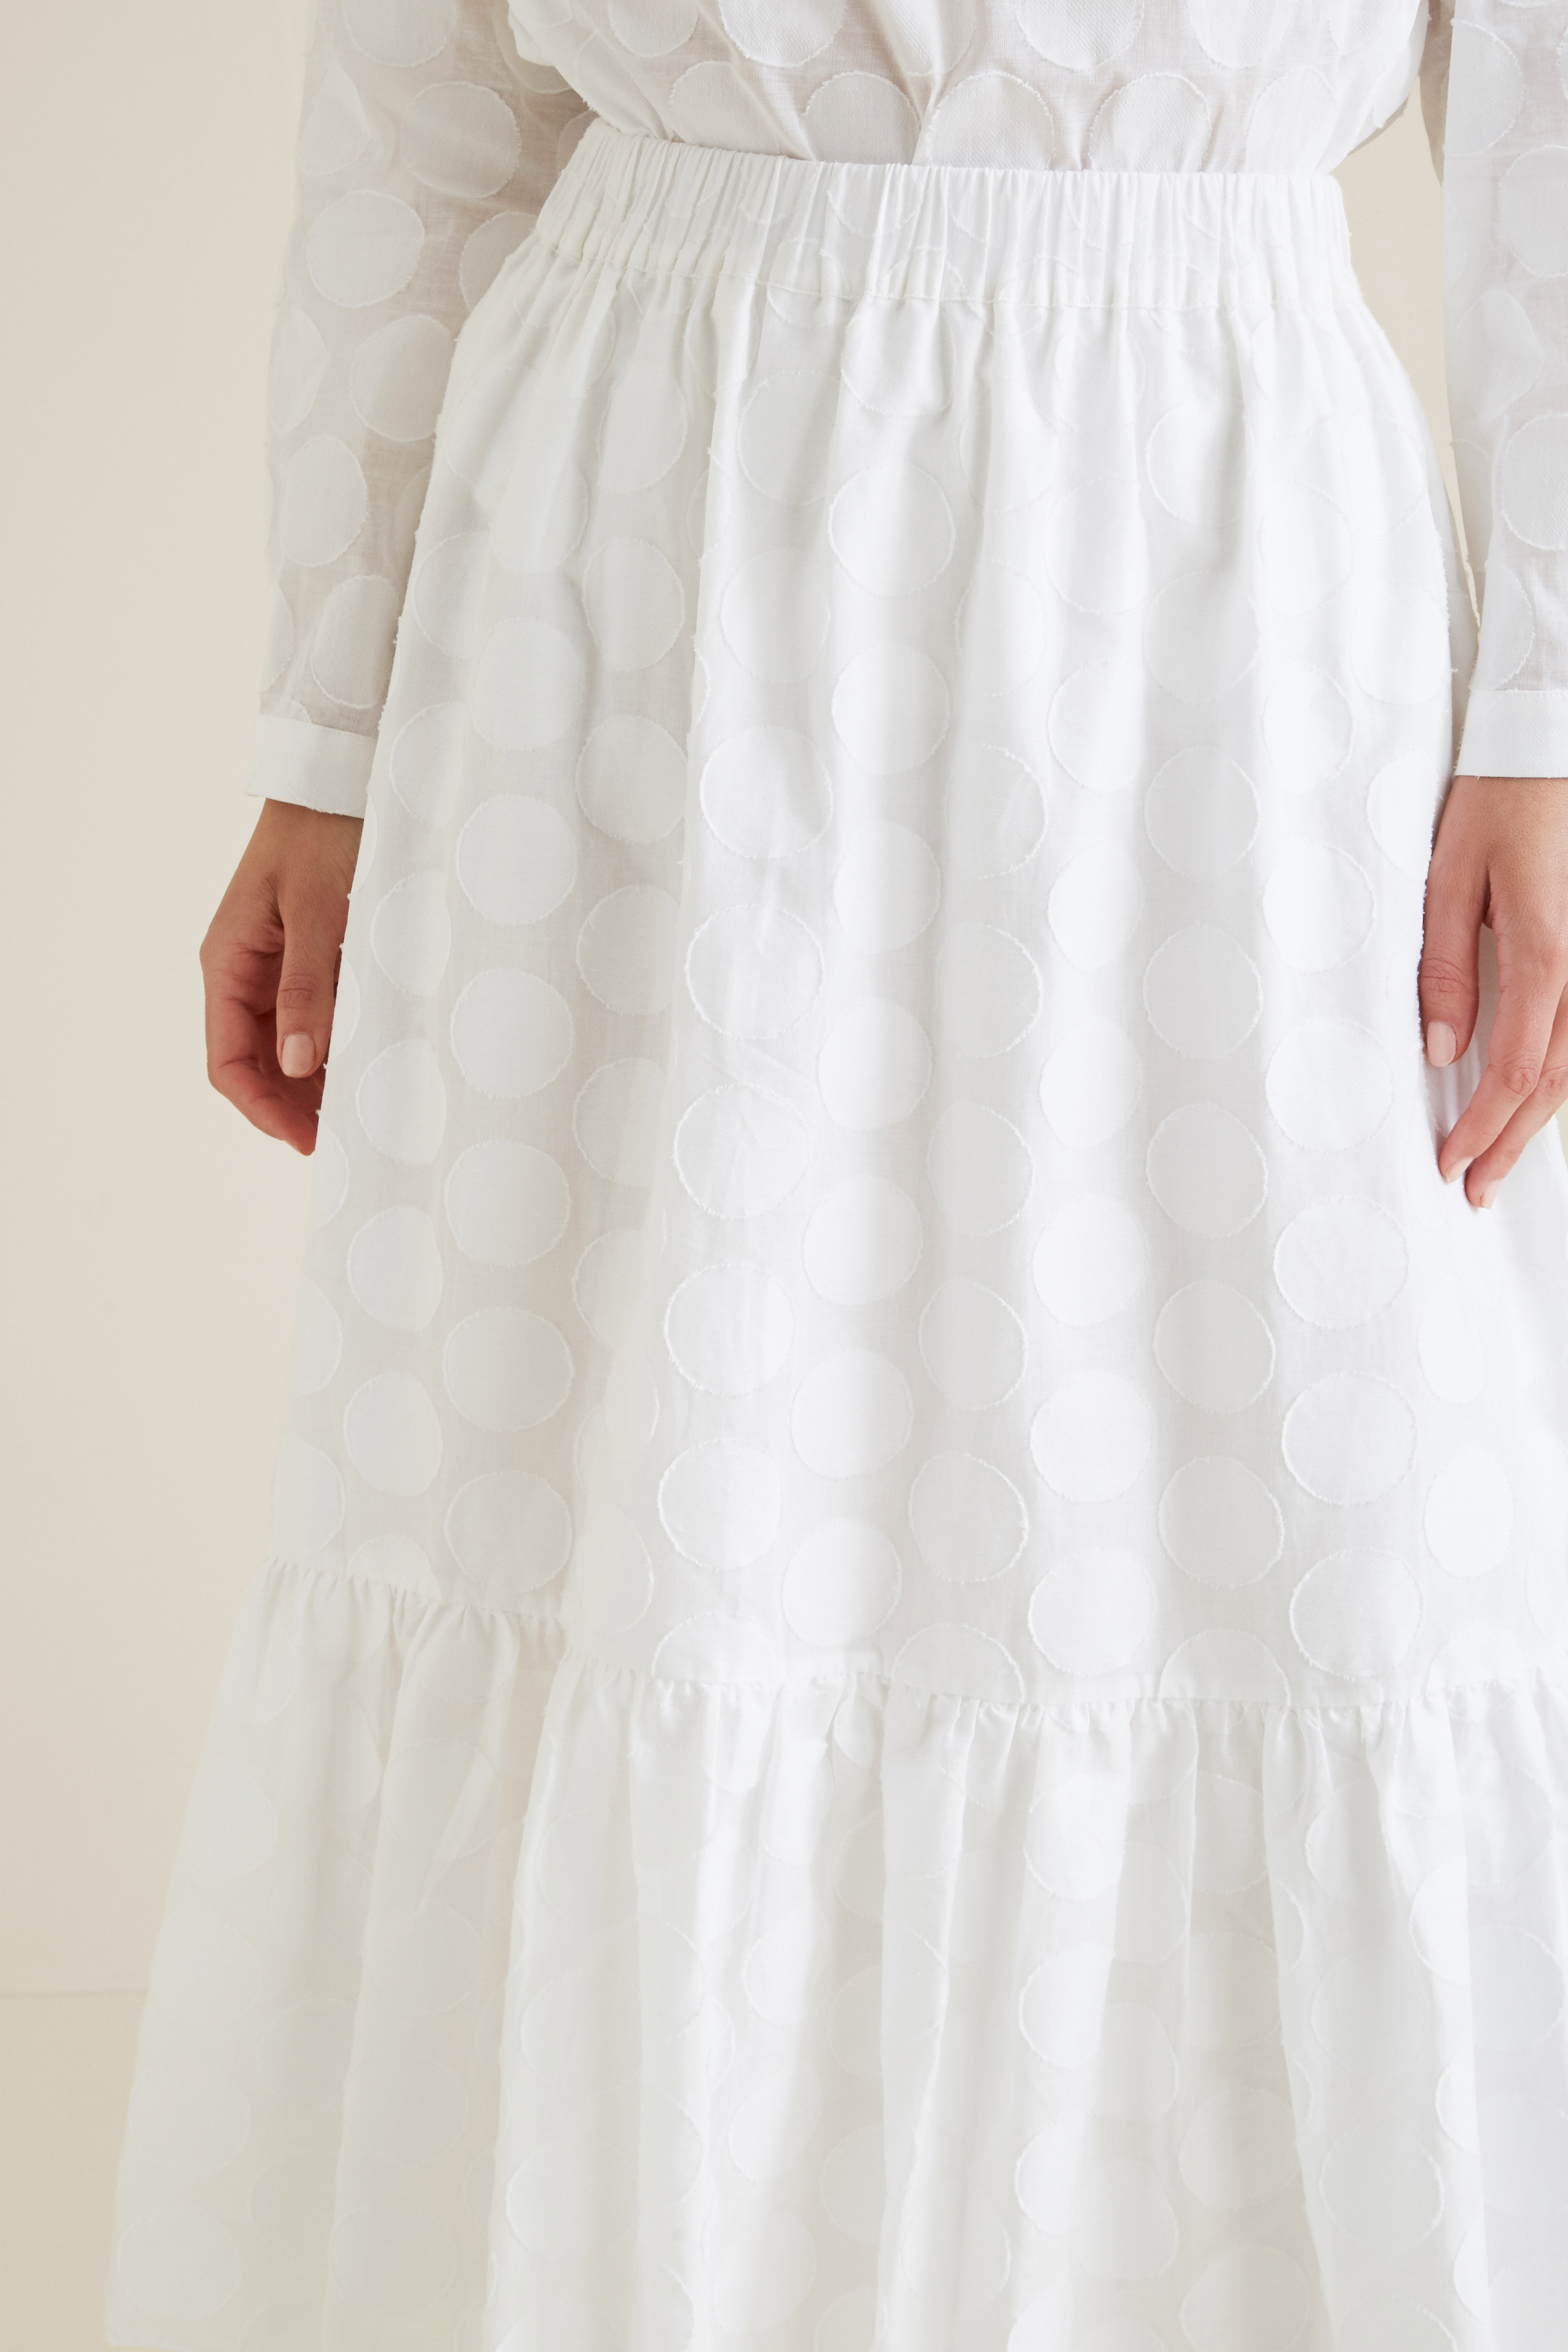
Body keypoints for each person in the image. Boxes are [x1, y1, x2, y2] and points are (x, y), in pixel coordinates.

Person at [108, 6, 1568, 2347]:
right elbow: (418, 86)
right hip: (639, 561)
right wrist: (330, 727)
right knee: (649, 1523)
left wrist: (1548, 710)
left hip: (1227, 566)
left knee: (1282, 1540)